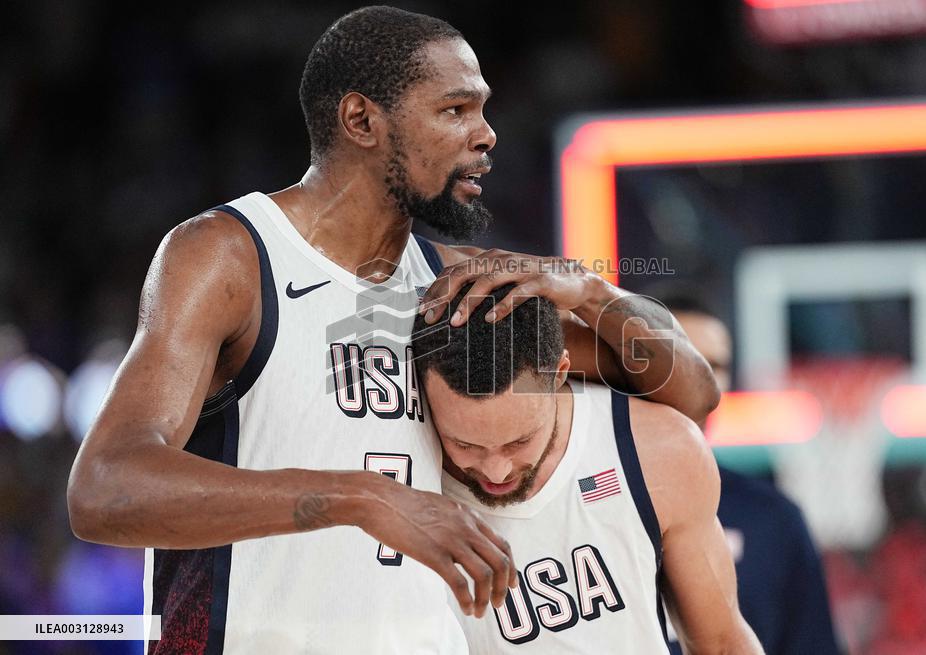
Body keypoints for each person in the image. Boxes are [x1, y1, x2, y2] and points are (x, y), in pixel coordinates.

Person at [66, 6, 719, 654]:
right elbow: (104, 487)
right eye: (455, 110)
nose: (487, 134)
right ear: (361, 120)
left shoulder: (454, 286)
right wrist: (361, 496)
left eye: (483, 109)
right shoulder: (231, 256)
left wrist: (595, 290)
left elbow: (690, 394)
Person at [411, 283, 762, 654]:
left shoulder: (656, 446)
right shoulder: (397, 470)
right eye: (465, 445)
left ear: (560, 371)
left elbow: (723, 644)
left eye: (519, 442)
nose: (496, 471)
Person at [667, 297, 841, 655]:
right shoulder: (579, 502)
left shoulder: (774, 519)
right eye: (678, 358)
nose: (700, 381)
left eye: (714, 365)